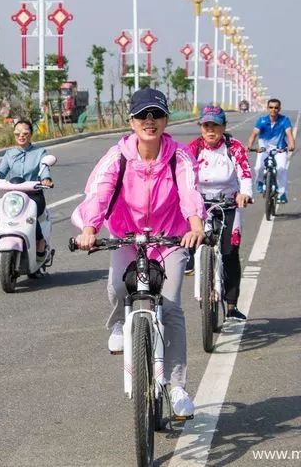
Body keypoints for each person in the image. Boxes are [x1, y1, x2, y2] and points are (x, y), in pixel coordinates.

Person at [71, 87, 206, 418]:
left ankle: (177, 388)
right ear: (131, 121)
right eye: (143, 115)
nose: (150, 121)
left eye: (157, 115)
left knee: (171, 306)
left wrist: (196, 225)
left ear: (165, 120)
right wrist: (89, 229)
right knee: (118, 286)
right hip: (127, 237)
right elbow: (100, 192)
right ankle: (119, 324)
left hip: (170, 237)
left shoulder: (179, 156)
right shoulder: (117, 156)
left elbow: (189, 191)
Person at [186, 105, 253, 320]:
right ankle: (192, 262)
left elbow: (245, 173)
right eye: (206, 125)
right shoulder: (193, 149)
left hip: (228, 203)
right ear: (201, 127)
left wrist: (245, 194)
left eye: (215, 125)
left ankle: (232, 306)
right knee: (190, 238)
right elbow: (183, 177)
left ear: (224, 126)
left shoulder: (234, 147)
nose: (211, 129)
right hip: (200, 204)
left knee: (230, 252)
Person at [0, 120, 53, 258]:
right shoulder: (9, 154)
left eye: (25, 133)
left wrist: (46, 179)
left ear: (31, 134)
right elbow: (0, 172)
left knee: (31, 214)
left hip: (34, 195)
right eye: (17, 133)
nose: (21, 136)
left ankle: (40, 239)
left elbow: (45, 169)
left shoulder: (40, 152)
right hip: (14, 196)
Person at [246, 98, 296, 204]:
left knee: (281, 169)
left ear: (279, 109)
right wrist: (249, 146)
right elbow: (253, 135)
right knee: (258, 167)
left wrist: (291, 145)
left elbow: (289, 134)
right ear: (267, 108)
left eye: (276, 108)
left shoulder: (284, 120)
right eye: (271, 107)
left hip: (280, 150)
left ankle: (282, 194)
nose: (273, 110)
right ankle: (260, 182)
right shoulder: (262, 121)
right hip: (264, 149)